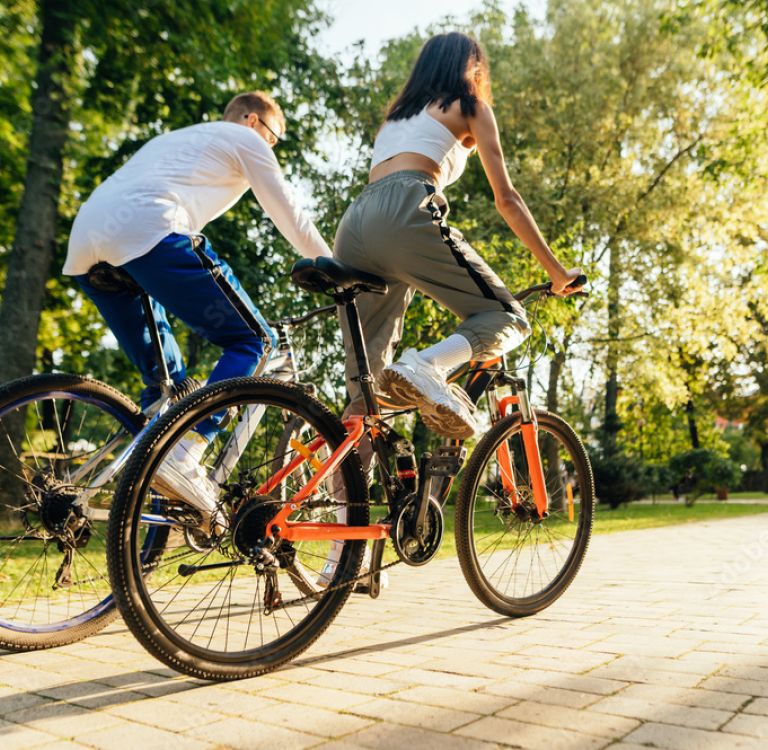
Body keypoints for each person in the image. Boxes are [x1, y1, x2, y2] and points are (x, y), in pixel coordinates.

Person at [64, 91, 331, 516]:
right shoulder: (243, 140)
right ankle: (186, 453)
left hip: (88, 244)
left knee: (168, 389)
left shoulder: (184, 141)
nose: (272, 148)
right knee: (255, 340)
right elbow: (291, 214)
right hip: (147, 228)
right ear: (251, 120)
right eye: (273, 138)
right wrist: (334, 268)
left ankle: (132, 503)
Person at [334, 32, 583, 440]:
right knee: (506, 318)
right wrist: (556, 272)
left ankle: (341, 502)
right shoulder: (470, 107)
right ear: (471, 67)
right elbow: (508, 200)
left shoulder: (394, 119)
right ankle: (427, 365)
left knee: (369, 393)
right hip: (403, 210)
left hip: (355, 225)